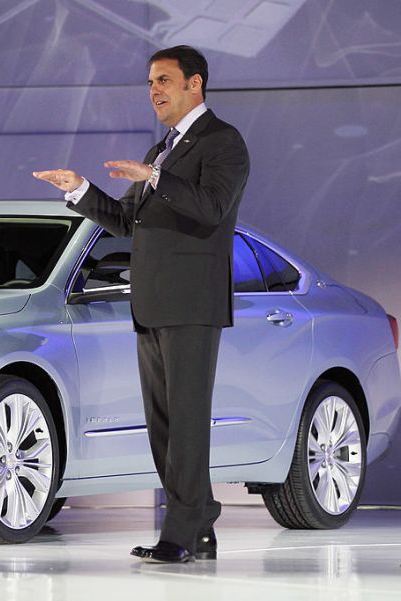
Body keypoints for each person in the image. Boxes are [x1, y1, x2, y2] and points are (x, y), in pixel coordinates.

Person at [33, 45, 250, 564]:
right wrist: (81, 189)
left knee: (188, 421)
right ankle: (198, 525)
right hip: (151, 302)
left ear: (194, 84)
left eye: (164, 80)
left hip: (193, 302)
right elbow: (126, 222)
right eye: (150, 82)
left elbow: (212, 207)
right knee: (163, 424)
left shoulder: (223, 141)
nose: (154, 90)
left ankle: (181, 531)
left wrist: (155, 178)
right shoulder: (160, 152)